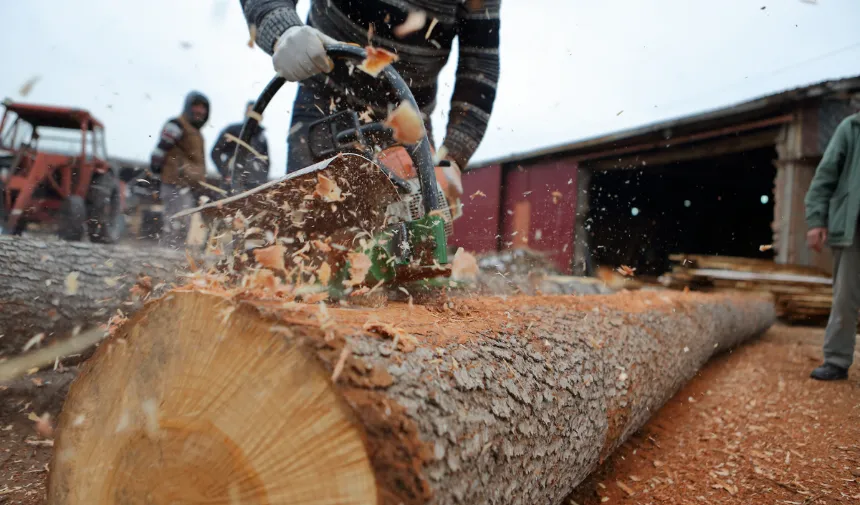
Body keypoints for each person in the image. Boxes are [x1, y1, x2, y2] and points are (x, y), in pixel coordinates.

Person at [239, 0, 500, 190]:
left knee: (415, 244)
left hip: (409, 117)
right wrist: (282, 28)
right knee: (310, 228)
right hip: (325, 99)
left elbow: (479, 64)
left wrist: (453, 156)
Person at [804, 109, 860, 381]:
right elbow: (825, 175)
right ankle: (837, 361)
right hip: (854, 227)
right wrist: (816, 220)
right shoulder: (851, 128)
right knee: (846, 296)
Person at [149, 91, 210, 249]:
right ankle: (165, 260)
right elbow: (160, 150)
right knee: (175, 224)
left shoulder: (195, 132)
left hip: (187, 186)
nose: (200, 111)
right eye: (196, 107)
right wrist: (157, 173)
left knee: (184, 225)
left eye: (203, 108)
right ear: (188, 107)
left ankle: (175, 261)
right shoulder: (176, 125)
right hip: (174, 183)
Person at [211, 100, 270, 192]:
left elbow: (267, 161)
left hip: (255, 185)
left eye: (257, 112)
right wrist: (225, 173)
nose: (253, 116)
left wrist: (263, 180)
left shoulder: (262, 137)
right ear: (246, 113)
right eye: (251, 112)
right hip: (233, 183)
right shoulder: (232, 131)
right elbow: (215, 152)